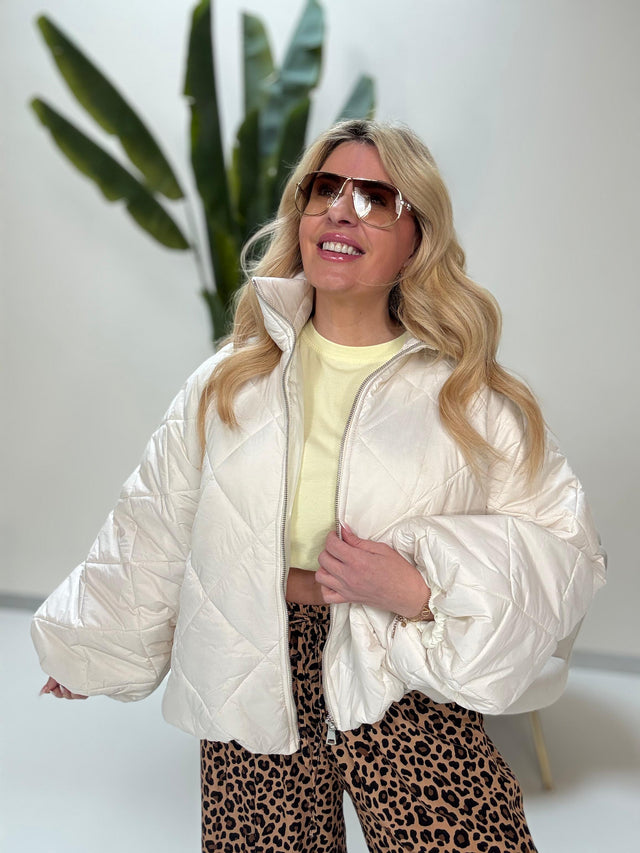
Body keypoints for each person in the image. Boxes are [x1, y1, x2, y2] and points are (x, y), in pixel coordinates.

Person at [33, 119, 606, 853]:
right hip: (250, 665)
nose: (341, 211)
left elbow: (566, 550)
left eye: (375, 198)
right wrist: (91, 645)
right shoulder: (229, 383)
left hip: (401, 671)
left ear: (417, 238)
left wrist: (420, 590)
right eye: (325, 189)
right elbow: (155, 521)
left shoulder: (469, 396)